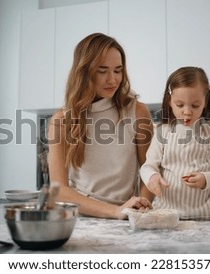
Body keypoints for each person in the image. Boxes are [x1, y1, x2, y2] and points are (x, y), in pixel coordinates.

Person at [47, 33, 154, 219]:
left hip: (127, 216)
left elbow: (150, 170)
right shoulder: (61, 121)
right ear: (84, 72)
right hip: (79, 218)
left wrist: (142, 207)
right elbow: (59, 191)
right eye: (102, 71)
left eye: (118, 70)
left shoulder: (138, 112)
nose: (112, 80)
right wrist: (114, 211)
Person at [139, 66, 210, 218]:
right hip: (166, 216)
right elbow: (147, 167)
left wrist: (206, 179)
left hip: (205, 217)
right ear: (170, 102)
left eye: (195, 105)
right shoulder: (162, 131)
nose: (187, 111)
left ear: (205, 102)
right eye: (180, 105)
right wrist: (152, 177)